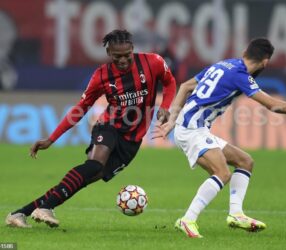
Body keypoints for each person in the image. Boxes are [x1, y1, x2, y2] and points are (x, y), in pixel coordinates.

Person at [153, 38, 286, 238]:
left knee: (245, 161)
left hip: (195, 127)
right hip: (192, 129)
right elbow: (273, 105)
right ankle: (188, 219)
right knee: (222, 173)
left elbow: (185, 86)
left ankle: (236, 214)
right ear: (265, 62)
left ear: (245, 51)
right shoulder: (241, 76)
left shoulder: (224, 64)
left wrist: (172, 119)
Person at [6, 29, 176, 228]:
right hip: (109, 127)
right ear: (108, 54)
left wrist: (165, 107)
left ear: (133, 50)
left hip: (132, 141)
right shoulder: (101, 76)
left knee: (86, 176)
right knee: (94, 164)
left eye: (126, 56)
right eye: (116, 56)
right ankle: (45, 209)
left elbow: (170, 82)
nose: (122, 60)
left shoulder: (153, 62)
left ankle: (20, 213)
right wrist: (51, 139)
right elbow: (80, 109)